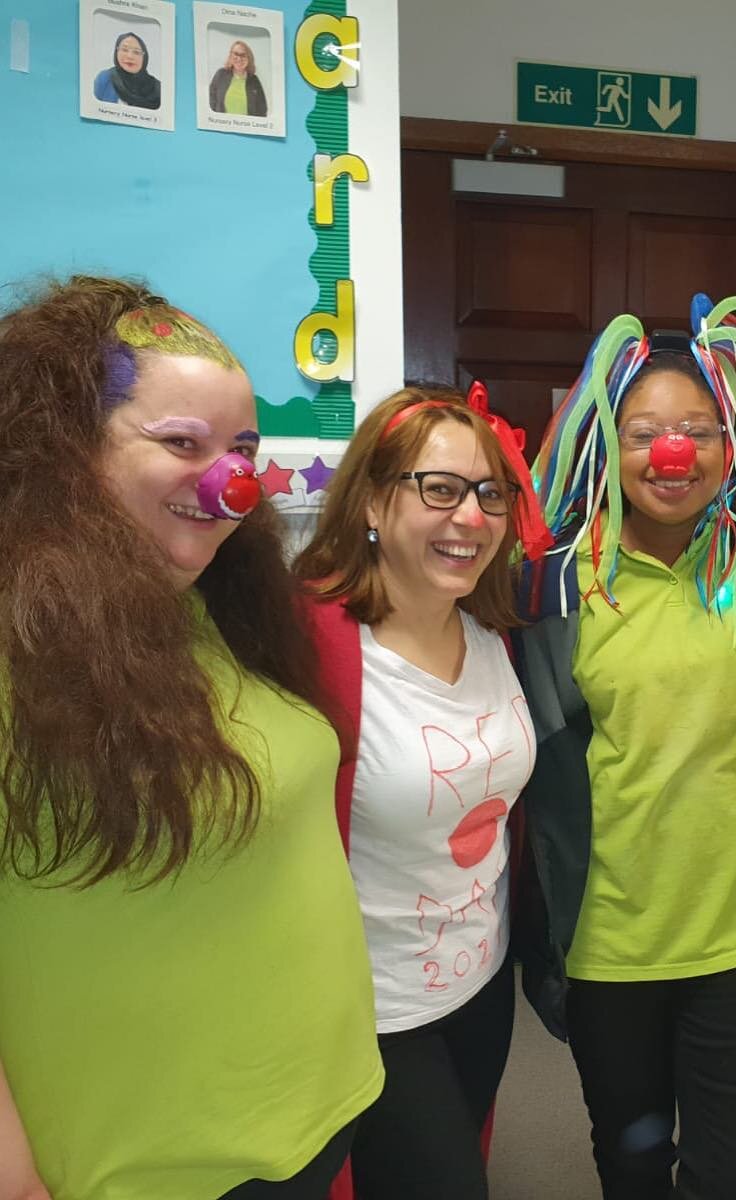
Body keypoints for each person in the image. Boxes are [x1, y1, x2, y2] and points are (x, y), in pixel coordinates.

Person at [0, 277, 382, 1200]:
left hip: (311, 1110)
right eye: (183, 444)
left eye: (243, 448)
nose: (233, 481)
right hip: (153, 1165)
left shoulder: (215, 605)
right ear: (64, 451)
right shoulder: (22, 648)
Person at [512, 295, 736, 1200]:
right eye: (645, 430)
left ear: (734, 448)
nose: (672, 453)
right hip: (610, 945)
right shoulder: (552, 586)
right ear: (604, 446)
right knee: (633, 1160)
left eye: (697, 429)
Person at [296, 383, 550, 1200]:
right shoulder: (314, 647)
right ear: (373, 500)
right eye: (439, 490)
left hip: (482, 981)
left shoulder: (490, 633)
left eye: (490, 494)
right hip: (374, 1009)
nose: (471, 519)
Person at [92, 31, 161, 110]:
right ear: (116, 51)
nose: (130, 56)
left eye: (136, 52)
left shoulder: (158, 89)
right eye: (124, 50)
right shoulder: (105, 78)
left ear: (144, 57)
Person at [209, 40, 268, 117]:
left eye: (243, 55)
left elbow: (262, 110)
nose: (239, 59)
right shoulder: (221, 74)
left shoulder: (254, 80)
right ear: (230, 56)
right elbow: (211, 100)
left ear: (249, 58)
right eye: (236, 54)